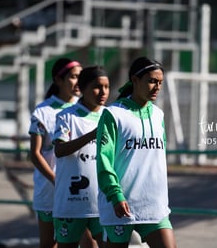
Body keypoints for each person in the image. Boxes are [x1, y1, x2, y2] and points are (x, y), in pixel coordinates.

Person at [96, 57, 177, 248]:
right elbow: (103, 160)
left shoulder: (159, 115)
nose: (157, 87)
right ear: (135, 80)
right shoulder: (113, 114)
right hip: (120, 204)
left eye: (160, 82)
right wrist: (115, 195)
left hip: (153, 205)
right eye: (151, 81)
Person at [29, 58, 95, 248]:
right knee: (50, 244)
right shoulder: (43, 111)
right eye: (73, 77)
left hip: (78, 192)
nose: (78, 82)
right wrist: (56, 180)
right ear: (58, 80)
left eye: (81, 77)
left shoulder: (86, 109)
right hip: (50, 192)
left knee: (90, 244)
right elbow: (35, 154)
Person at [52, 66, 110, 248]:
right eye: (97, 87)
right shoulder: (66, 116)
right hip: (72, 203)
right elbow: (59, 150)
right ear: (82, 88)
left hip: (103, 204)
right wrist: (92, 135)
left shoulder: (111, 117)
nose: (103, 92)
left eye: (107, 87)